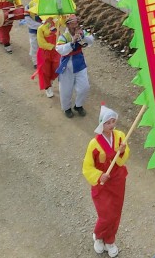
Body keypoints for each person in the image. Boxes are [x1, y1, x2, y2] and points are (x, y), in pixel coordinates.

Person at [83, 105, 130, 258]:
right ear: (101, 124)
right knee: (105, 215)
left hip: (117, 181)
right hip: (102, 184)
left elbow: (122, 160)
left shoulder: (121, 136)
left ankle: (110, 239)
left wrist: (122, 151)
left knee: (116, 213)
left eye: (113, 122)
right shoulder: (94, 144)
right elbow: (87, 166)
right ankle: (98, 235)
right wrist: (98, 176)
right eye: (107, 123)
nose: (111, 126)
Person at [56, 14, 94, 118]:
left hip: (80, 63)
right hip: (66, 65)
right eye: (73, 23)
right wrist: (72, 43)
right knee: (65, 89)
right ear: (68, 25)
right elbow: (59, 49)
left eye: (76, 22)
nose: (76, 24)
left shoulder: (81, 31)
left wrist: (83, 37)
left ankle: (79, 105)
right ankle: (66, 108)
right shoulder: (63, 37)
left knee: (84, 87)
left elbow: (91, 41)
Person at [35, 16, 62, 98]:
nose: (50, 18)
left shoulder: (56, 24)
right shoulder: (41, 28)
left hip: (55, 52)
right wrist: (52, 46)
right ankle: (47, 87)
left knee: (57, 67)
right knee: (45, 71)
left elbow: (64, 21)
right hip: (45, 52)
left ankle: (51, 79)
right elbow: (41, 43)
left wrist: (63, 15)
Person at [23, 0, 44, 70]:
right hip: (34, 30)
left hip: (44, 30)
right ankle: (35, 62)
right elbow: (28, 20)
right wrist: (40, 26)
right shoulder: (28, 7)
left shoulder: (43, 6)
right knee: (34, 45)